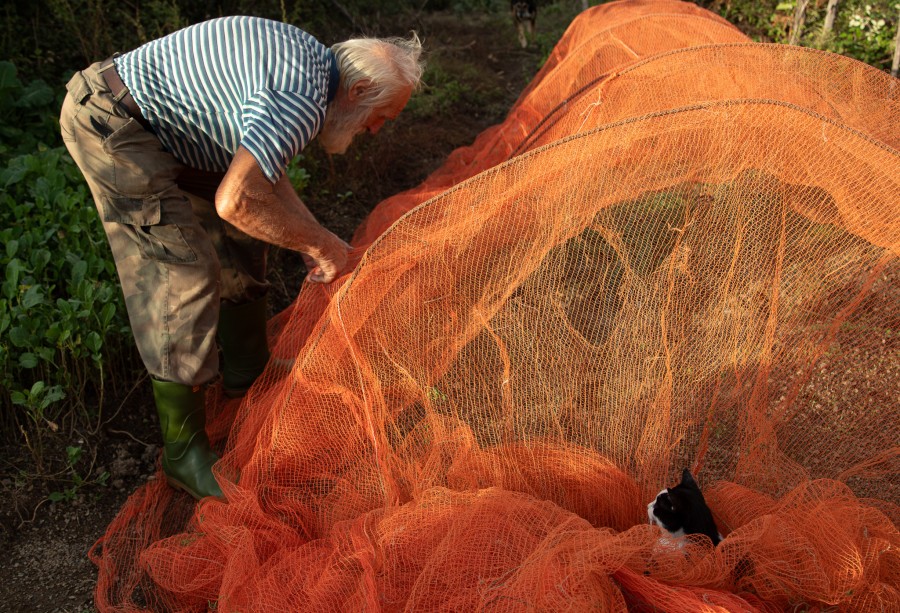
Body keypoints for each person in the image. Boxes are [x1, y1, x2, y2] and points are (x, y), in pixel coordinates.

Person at [59, 16, 424, 500]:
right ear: (357, 91)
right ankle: (183, 453)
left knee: (243, 239)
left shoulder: (312, 69)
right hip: (114, 121)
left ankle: (247, 369)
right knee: (184, 270)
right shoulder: (299, 98)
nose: (376, 130)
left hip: (175, 129)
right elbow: (236, 199)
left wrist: (318, 238)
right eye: (383, 116)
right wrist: (321, 246)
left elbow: (263, 178)